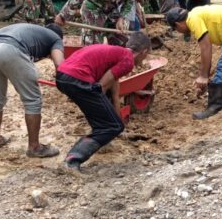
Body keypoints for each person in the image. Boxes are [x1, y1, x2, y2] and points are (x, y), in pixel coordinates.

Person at [56, 32, 151, 172]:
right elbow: (101, 87)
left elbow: (114, 90)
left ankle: (103, 141)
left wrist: (116, 115)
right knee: (113, 126)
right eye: (146, 56)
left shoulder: (117, 53)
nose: (143, 61)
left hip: (63, 76)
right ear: (144, 52)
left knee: (110, 121)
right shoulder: (128, 60)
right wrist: (117, 124)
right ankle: (72, 161)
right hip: (79, 78)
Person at [0, 23, 64, 157]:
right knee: (33, 100)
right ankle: (34, 148)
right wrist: (65, 84)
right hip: (11, 48)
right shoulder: (56, 39)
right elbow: (60, 65)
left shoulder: (34, 32)